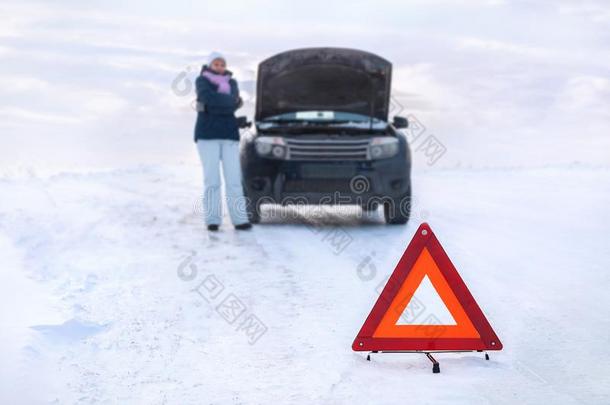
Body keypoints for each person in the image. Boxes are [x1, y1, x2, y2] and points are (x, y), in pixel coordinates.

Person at [194, 52, 252, 231]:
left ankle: (240, 220)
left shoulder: (232, 82)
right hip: (207, 135)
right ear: (209, 65)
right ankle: (212, 220)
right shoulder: (201, 81)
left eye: (222, 64)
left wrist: (216, 106)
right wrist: (228, 104)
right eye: (216, 64)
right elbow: (209, 98)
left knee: (234, 179)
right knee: (212, 180)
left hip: (229, 134)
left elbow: (224, 103)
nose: (219, 67)